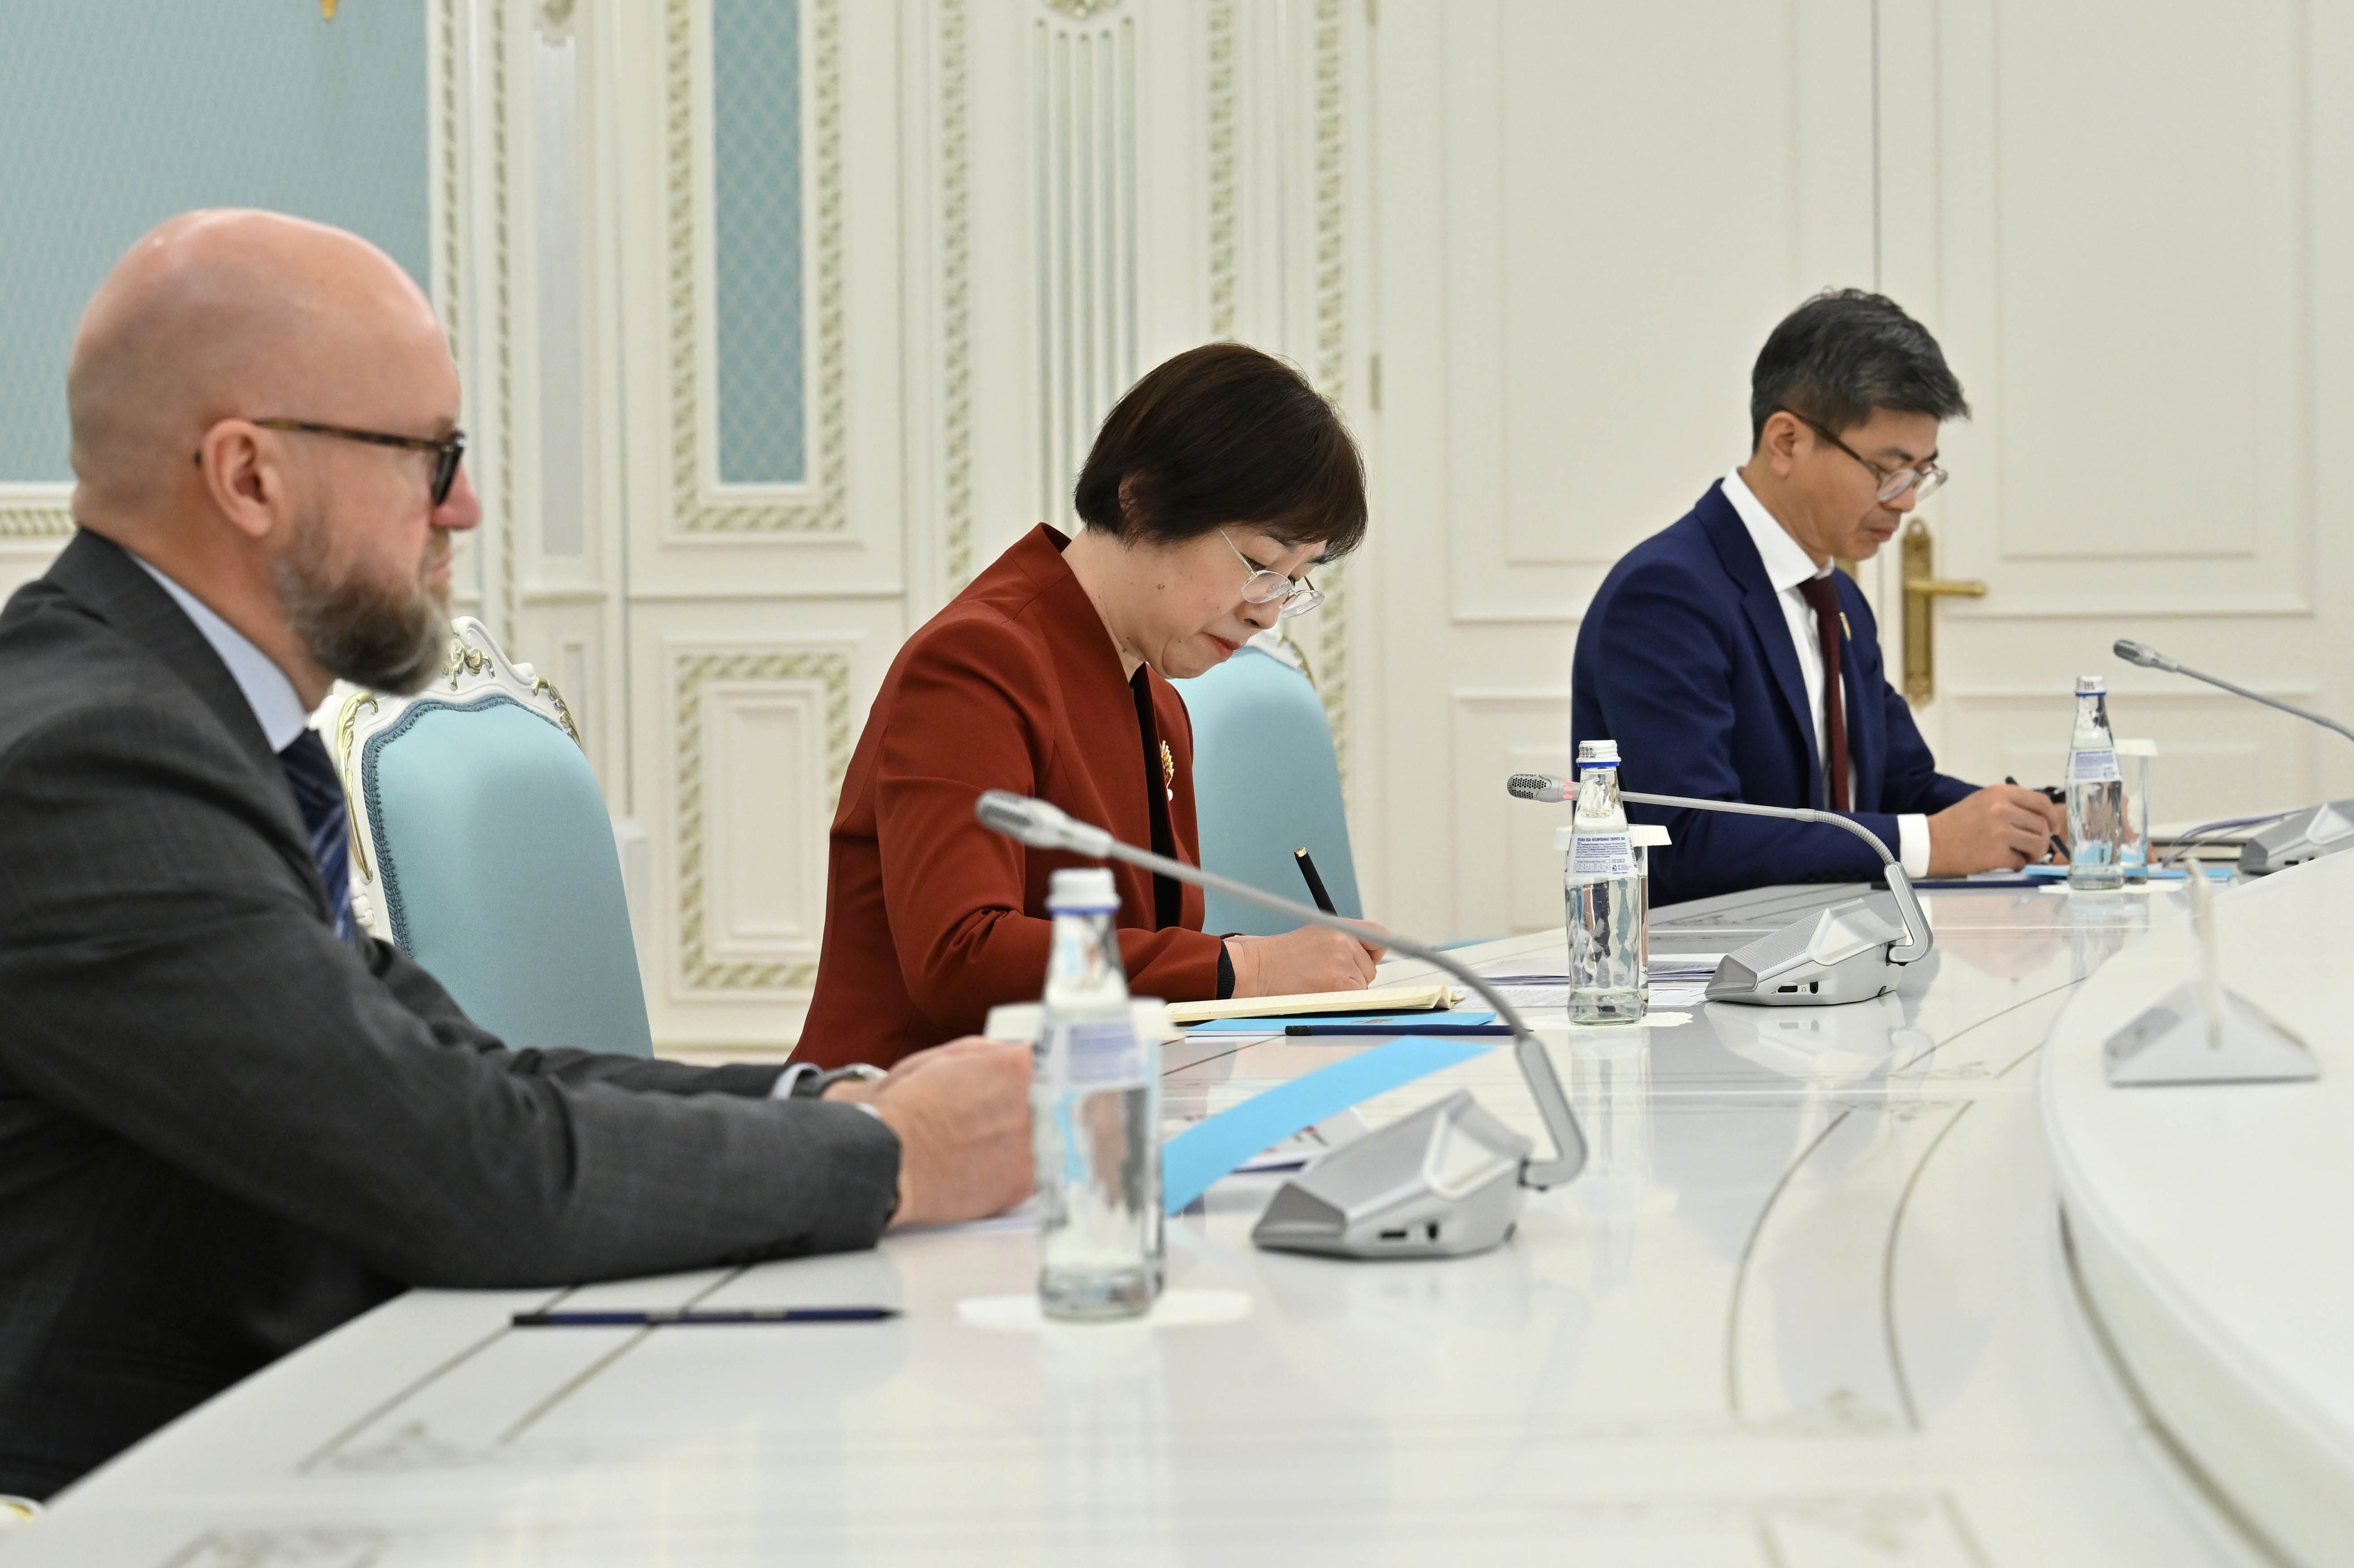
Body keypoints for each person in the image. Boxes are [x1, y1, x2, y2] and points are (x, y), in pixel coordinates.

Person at [0, 210, 1031, 1500]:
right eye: (430, 458)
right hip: (146, 1504)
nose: (467, 508)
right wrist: (899, 1157)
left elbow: (462, 1077)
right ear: (250, 477)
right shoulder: (94, 758)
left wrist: (834, 1104)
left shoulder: (171, 713)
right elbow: (455, 1167)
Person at [796, 344, 1384, 1070]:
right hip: (899, 1110)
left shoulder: (1160, 703)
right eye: (1260, 565)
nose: (1267, 612)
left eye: (1293, 582)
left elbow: (1134, 955)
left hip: (1079, 1100)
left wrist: (1252, 966)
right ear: (1143, 499)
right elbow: (962, 954)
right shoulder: (976, 661)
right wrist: (1246, 968)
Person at [1571, 289, 2065, 905]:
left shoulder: (1839, 600)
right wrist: (1931, 843)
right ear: (1786, 441)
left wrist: (2036, 824)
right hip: (1710, 956)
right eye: (1889, 470)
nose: (1908, 501)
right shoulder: (1668, 595)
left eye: (1922, 472)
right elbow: (1688, 839)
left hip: (1844, 944)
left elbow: (1900, 787)